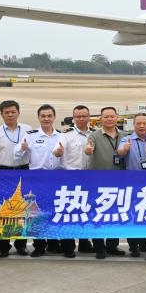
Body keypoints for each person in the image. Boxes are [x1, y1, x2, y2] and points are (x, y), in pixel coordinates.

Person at [0, 100, 31, 257]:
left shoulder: (28, 130)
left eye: (13, 112)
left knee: (22, 209)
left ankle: (21, 244)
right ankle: (3, 246)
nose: (10, 114)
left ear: (18, 112)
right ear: (2, 114)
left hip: (24, 171)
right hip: (3, 172)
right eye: (6, 112)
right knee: (2, 209)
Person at [18, 104, 68, 257]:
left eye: (49, 116)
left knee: (54, 212)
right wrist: (22, 148)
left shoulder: (61, 136)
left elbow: (65, 160)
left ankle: (54, 243)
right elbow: (16, 154)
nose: (46, 119)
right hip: (37, 178)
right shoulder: (31, 135)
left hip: (56, 178)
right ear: (38, 118)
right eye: (43, 116)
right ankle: (39, 245)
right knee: (37, 213)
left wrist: (60, 154)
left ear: (54, 117)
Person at [83, 106, 127, 259]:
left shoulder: (125, 135)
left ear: (117, 118)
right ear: (100, 119)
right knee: (98, 215)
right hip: (98, 183)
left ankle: (112, 245)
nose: (109, 119)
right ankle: (99, 247)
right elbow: (88, 149)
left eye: (112, 116)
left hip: (119, 182)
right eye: (106, 117)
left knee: (115, 216)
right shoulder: (94, 136)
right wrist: (88, 150)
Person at [117, 113, 146, 257]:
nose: (141, 126)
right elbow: (120, 152)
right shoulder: (127, 139)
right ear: (134, 125)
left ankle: (145, 243)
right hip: (133, 185)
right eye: (138, 123)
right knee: (133, 216)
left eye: (144, 123)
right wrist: (125, 149)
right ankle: (133, 245)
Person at [62, 105, 93, 254]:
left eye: (84, 116)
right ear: (73, 118)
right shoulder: (66, 135)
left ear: (89, 118)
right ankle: (68, 246)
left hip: (88, 178)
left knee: (86, 212)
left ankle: (84, 243)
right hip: (71, 178)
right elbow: (57, 154)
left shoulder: (94, 135)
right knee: (70, 212)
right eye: (78, 116)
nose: (81, 119)